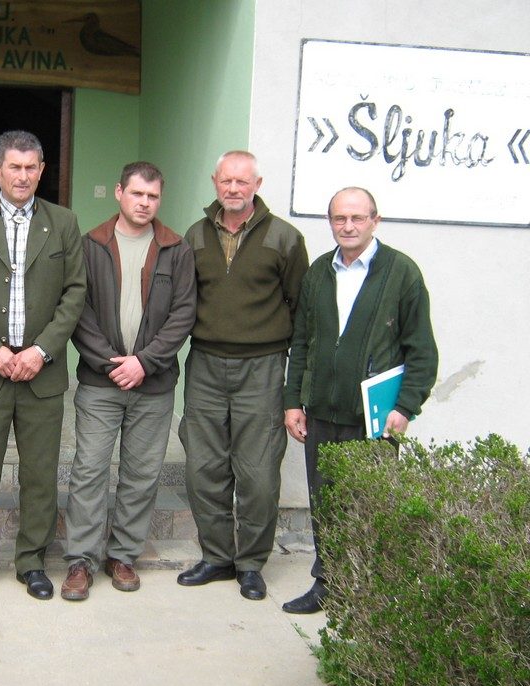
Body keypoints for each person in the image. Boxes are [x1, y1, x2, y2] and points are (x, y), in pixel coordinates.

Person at [0, 130, 87, 601]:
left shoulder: (63, 223)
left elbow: (74, 293)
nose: (22, 175)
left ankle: (32, 562)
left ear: (41, 171)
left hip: (40, 374)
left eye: (31, 167)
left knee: (40, 473)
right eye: (14, 167)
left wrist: (40, 350)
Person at [282, 187, 438, 613]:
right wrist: (293, 401)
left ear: (375, 220)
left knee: (370, 507)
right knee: (324, 503)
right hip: (322, 413)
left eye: (356, 218)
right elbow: (302, 342)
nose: (347, 226)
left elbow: (421, 350)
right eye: (339, 219)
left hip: (373, 418)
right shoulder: (318, 273)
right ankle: (328, 584)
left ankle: (368, 593)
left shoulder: (401, 273)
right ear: (330, 223)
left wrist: (405, 407)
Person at [60, 161, 196, 601]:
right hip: (101, 384)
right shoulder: (91, 245)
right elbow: (77, 311)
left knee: (141, 473)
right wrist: (111, 363)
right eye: (137, 194)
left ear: (160, 199)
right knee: (90, 470)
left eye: (153, 196)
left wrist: (145, 362)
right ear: (119, 192)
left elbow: (183, 315)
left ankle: (122, 555)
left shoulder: (177, 248)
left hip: (153, 385)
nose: (144, 203)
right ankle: (80, 559)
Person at [177, 150, 309, 601]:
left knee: (257, 473)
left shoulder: (284, 238)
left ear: (257, 183)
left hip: (263, 367)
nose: (233, 189)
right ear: (214, 181)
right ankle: (216, 556)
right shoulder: (194, 236)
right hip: (206, 365)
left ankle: (251, 564)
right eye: (226, 181)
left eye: (243, 181)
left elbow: (299, 306)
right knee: (203, 467)